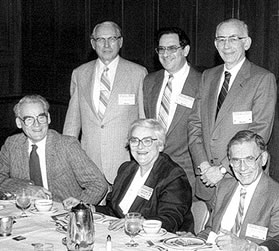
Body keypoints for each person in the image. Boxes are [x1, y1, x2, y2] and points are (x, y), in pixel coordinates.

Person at [188, 18, 277, 205]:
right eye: (221, 39)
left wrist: (220, 170)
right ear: (215, 44)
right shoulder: (208, 76)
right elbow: (194, 124)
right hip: (206, 180)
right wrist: (204, 166)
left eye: (233, 39)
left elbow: (259, 133)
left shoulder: (262, 79)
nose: (226, 45)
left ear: (246, 42)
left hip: (241, 178)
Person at [64, 119, 194, 233]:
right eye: (134, 140)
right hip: (123, 237)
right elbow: (114, 211)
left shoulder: (173, 176)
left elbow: (171, 221)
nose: (140, 146)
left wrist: (141, 222)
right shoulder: (126, 169)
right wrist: (88, 207)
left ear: (160, 145)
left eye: (147, 141)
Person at [63, 21, 147, 185]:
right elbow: (72, 124)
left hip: (126, 163)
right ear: (93, 43)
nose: (106, 44)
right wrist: (67, 159)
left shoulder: (138, 73)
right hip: (89, 164)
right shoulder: (80, 74)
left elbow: (143, 121)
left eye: (112, 39)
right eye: (101, 39)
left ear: (120, 42)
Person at [0, 95, 107, 204]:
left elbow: (98, 184)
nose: (37, 124)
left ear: (49, 118)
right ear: (19, 122)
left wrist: (79, 204)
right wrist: (25, 188)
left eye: (41, 117)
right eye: (29, 119)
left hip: (63, 213)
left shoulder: (66, 145)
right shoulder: (12, 144)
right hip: (26, 212)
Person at [195, 130, 279, 251]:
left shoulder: (275, 195)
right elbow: (210, 230)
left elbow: (276, 241)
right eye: (236, 160)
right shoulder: (223, 187)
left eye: (249, 159)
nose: (242, 167)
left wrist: (247, 246)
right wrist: (194, 242)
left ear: (263, 158)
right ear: (229, 162)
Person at [143, 27, 201, 192]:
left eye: (172, 48)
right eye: (161, 49)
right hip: (153, 171)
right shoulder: (149, 81)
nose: (165, 54)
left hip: (186, 173)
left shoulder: (202, 82)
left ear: (186, 50)